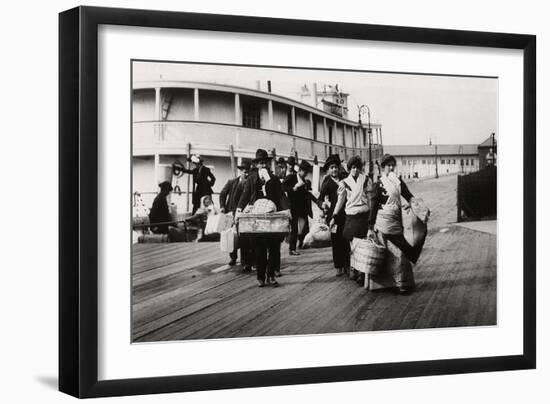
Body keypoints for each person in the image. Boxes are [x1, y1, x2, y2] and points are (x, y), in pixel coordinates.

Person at [367, 154, 423, 294]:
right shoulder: (378, 184)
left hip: (396, 222)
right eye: (388, 166)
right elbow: (373, 206)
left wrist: (416, 206)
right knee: (392, 254)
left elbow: (408, 196)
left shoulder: (398, 182)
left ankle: (403, 282)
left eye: (393, 165)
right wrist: (370, 226)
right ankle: (393, 284)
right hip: (383, 223)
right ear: (382, 167)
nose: (391, 168)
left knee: (402, 252)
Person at [237, 149, 284, 287]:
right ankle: (260, 277)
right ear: (256, 165)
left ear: (268, 164)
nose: (263, 166)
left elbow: (281, 195)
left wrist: (287, 210)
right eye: (260, 163)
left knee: (274, 247)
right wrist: (239, 210)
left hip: (272, 216)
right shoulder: (251, 179)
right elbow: (245, 196)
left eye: (265, 163)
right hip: (257, 217)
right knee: (260, 249)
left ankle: (271, 275)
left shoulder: (274, 179)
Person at [332, 155, 374, 285]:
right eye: (353, 167)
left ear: (360, 168)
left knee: (363, 245)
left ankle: (362, 272)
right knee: (353, 245)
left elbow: (370, 199)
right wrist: (334, 215)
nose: (355, 170)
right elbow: (340, 201)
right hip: (351, 217)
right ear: (349, 168)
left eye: (357, 167)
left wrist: (373, 216)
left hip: (363, 215)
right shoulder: (344, 183)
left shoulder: (366, 180)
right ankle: (354, 269)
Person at [219, 161, 254, 269]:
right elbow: (222, 194)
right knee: (230, 236)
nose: (246, 174)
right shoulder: (232, 182)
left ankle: (245, 262)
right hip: (230, 213)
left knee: (244, 238)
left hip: (244, 214)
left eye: (248, 172)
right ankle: (233, 258)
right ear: (241, 171)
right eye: (244, 172)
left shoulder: (251, 183)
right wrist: (222, 206)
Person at [318, 154, 350, 277]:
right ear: (328, 169)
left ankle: (347, 265)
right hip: (333, 217)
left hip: (346, 214)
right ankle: (338, 266)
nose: (334, 170)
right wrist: (323, 205)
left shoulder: (345, 178)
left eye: (336, 167)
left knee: (346, 240)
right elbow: (319, 199)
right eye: (331, 167)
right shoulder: (326, 182)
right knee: (336, 241)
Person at [283, 160, 314, 255]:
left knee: (304, 226)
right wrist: (294, 188)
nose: (305, 174)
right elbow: (283, 188)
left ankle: (301, 243)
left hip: (303, 208)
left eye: (307, 172)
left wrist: (318, 202)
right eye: (304, 172)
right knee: (295, 228)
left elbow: (308, 194)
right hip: (292, 207)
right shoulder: (291, 178)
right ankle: (292, 248)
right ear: (300, 170)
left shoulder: (305, 181)